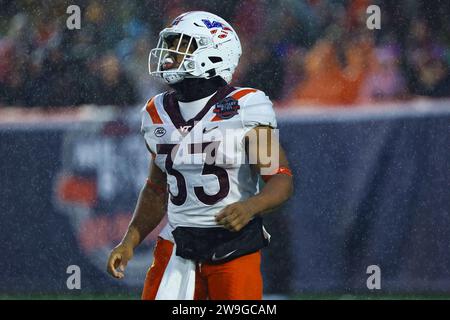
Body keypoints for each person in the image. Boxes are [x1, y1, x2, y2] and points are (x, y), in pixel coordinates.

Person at [106, 11, 293, 300]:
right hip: (177, 245)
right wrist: (130, 240)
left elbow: (280, 179)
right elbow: (157, 189)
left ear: (215, 52)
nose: (170, 54)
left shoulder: (246, 106)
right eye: (170, 44)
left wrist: (251, 207)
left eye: (182, 45)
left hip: (233, 246)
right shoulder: (155, 112)